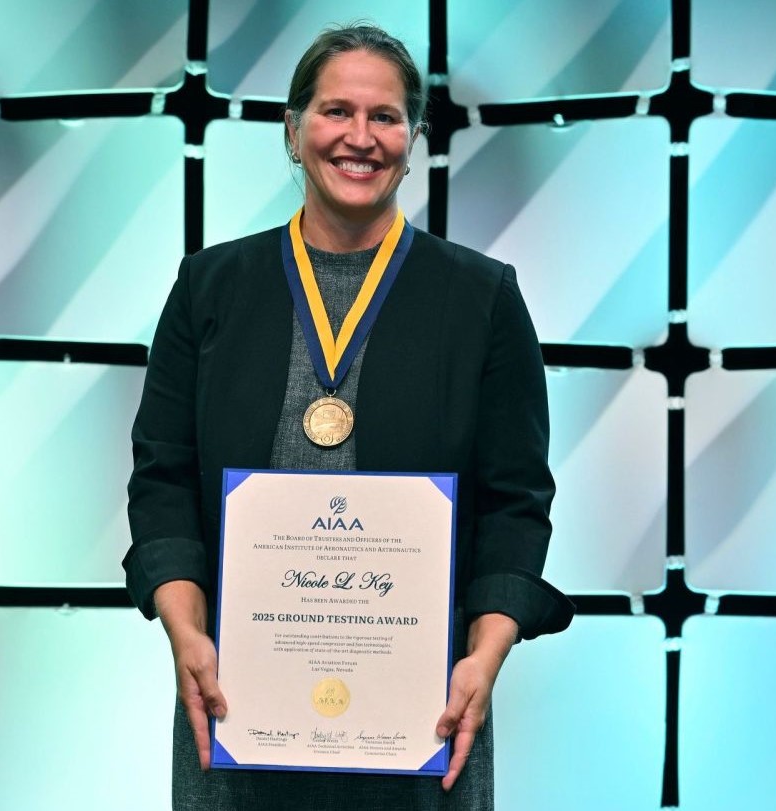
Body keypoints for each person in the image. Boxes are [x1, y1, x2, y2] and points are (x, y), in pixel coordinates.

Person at [125, 23, 573, 810]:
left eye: (387, 117)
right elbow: (161, 477)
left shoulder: (481, 298)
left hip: (424, 714)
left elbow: (516, 501)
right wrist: (186, 634)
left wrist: (484, 657)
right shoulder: (210, 287)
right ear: (293, 131)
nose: (360, 138)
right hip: (236, 710)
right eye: (336, 111)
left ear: (414, 138)